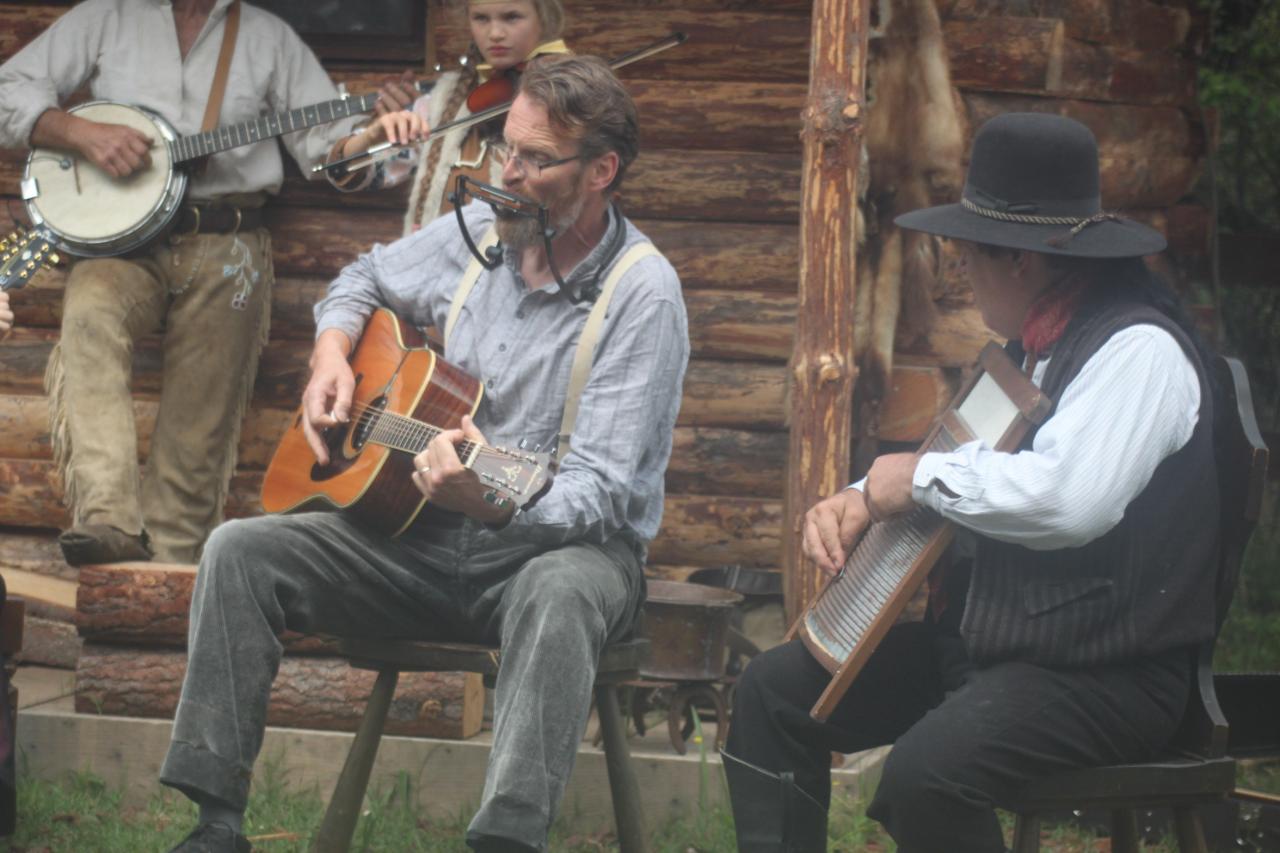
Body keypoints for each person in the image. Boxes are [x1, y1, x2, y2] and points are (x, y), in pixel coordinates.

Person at [158, 54, 689, 853]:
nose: (507, 172)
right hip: (420, 543)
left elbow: (601, 493)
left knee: (559, 588)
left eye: (535, 160)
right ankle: (215, 822)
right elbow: (362, 277)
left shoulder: (642, 294)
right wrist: (331, 358)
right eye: (505, 146)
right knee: (239, 549)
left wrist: (492, 494)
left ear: (602, 170)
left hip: (561, 553)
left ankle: (504, 839)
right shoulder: (485, 228)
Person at [722, 112, 1220, 852]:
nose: (959, 271)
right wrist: (861, 494)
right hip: (999, 651)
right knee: (771, 693)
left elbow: (1066, 501)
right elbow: (962, 465)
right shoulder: (1033, 351)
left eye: (967, 255)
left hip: (1106, 673)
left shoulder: (1139, 352)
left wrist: (914, 477)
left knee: (926, 777)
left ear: (1020, 259)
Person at [0, 0, 368, 566]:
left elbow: (327, 144)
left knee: (205, 408)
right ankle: (108, 518)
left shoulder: (268, 37)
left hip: (229, 238)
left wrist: (369, 138)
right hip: (120, 239)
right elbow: (8, 88)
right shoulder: (106, 15)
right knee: (88, 322)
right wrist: (77, 131)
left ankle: (169, 568)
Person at [326, 0, 569, 234]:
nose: (495, 33)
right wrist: (371, 135)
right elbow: (359, 172)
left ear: (544, 17)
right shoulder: (442, 99)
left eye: (512, 16)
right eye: (481, 18)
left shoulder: (569, 97)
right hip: (439, 270)